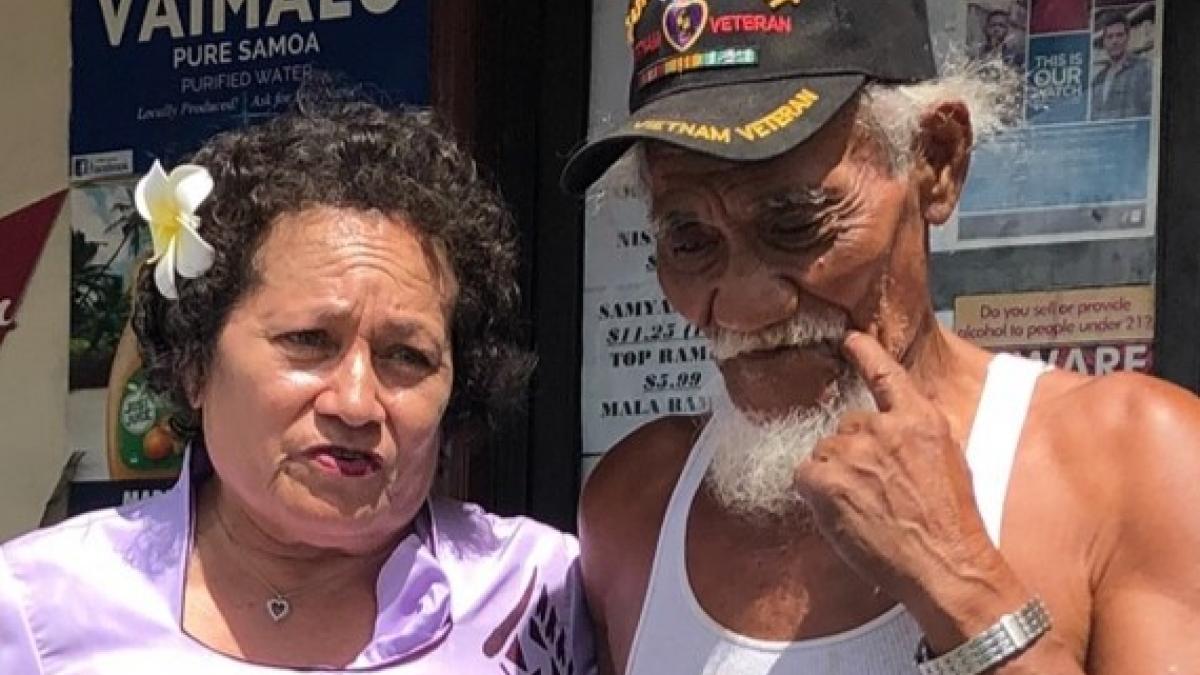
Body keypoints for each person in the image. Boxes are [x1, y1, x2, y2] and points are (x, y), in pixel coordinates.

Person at [561, 0, 1200, 673]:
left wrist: (959, 581)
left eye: (795, 223)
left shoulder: (1135, 464)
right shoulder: (638, 503)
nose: (745, 306)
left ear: (936, 161)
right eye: (690, 241)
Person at [0, 101, 594, 673]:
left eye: (406, 356)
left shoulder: (546, 595)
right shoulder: (39, 610)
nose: (356, 403)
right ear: (195, 363)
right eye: (309, 341)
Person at [1090, 13, 1154, 120]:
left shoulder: (1143, 68)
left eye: (1119, 35)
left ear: (1127, 37)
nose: (1114, 41)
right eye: (1110, 37)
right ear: (1104, 42)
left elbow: (1151, 109)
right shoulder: (1098, 79)